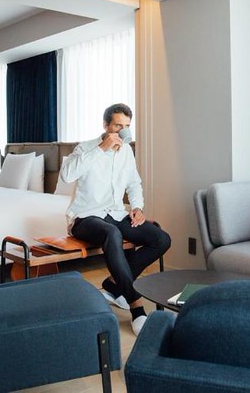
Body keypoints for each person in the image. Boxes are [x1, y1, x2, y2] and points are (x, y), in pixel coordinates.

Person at [59, 103, 171, 335]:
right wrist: (102, 148)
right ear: (105, 125)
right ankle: (136, 307)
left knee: (161, 239)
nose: (123, 130)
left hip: (117, 213)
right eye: (118, 125)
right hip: (86, 216)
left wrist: (137, 207)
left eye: (127, 126)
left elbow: (133, 183)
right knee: (112, 233)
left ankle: (113, 285)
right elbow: (67, 176)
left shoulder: (127, 151)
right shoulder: (86, 148)